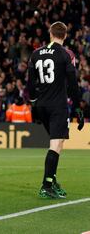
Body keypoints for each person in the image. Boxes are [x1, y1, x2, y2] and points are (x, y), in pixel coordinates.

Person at [27, 21, 84, 199]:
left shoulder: (35, 54)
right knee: (56, 144)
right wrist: (77, 107)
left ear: (50, 34)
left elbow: (30, 83)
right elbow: (73, 84)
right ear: (65, 35)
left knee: (58, 144)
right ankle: (46, 185)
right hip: (58, 105)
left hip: (41, 105)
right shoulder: (67, 54)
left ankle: (52, 181)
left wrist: (33, 102)